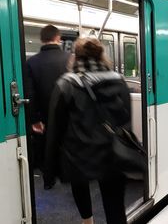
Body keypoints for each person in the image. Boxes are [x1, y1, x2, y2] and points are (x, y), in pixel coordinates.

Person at [44, 38, 129, 224]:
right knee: (115, 209)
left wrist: (49, 172)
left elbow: (54, 130)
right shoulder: (118, 80)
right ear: (101, 55)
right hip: (112, 155)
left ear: (75, 56)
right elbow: (125, 120)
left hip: (78, 156)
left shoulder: (66, 83)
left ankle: (88, 221)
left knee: (80, 187)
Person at [26, 25, 69, 188]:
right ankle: (69, 177)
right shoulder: (69, 59)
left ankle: (49, 180)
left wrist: (35, 119)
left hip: (44, 116)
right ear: (58, 38)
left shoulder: (31, 62)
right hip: (68, 116)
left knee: (47, 148)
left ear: (42, 39)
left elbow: (30, 95)